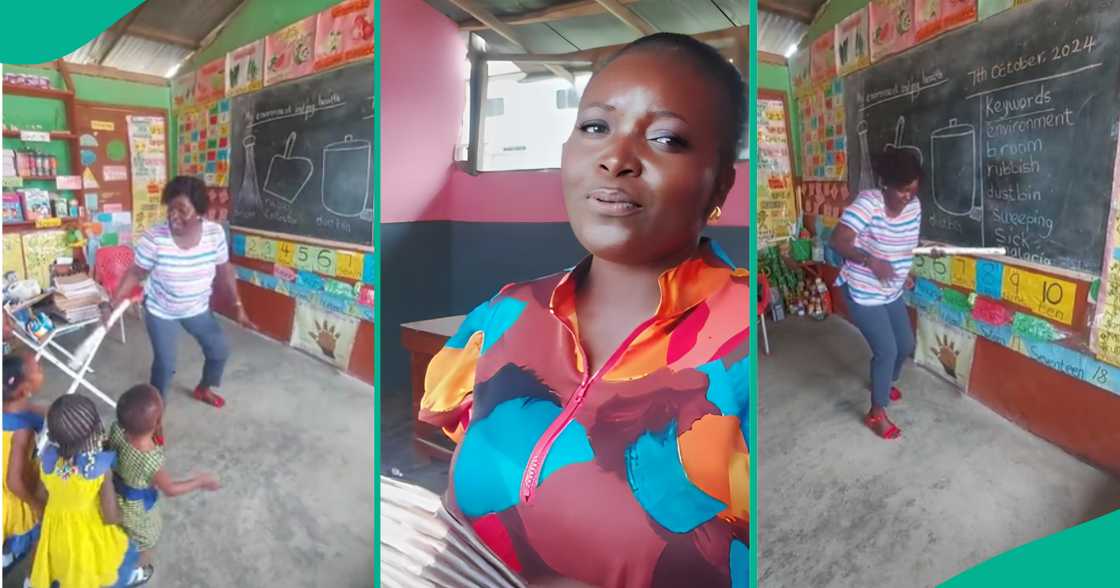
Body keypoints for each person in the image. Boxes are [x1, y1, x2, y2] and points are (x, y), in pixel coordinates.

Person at [404, 33, 749, 587]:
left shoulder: (745, 349)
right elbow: (461, 504)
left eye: (667, 138)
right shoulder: (504, 315)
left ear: (721, 184)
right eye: (595, 127)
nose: (616, 158)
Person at [106, 176, 255, 410]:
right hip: (161, 309)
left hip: (196, 307)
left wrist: (238, 306)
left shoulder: (214, 234)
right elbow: (136, 272)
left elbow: (224, 269)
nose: (174, 216)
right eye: (170, 209)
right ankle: (155, 414)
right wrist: (113, 301)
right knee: (165, 365)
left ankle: (203, 388)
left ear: (199, 212)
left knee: (219, 351)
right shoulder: (155, 238)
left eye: (182, 210)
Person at [829, 148, 924, 440]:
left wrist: (903, 271)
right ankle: (876, 414)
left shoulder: (915, 206)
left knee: (905, 343)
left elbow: (903, 245)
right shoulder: (869, 203)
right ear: (886, 186)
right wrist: (871, 261)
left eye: (913, 188)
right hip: (863, 290)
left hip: (891, 288)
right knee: (886, 351)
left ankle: (881, 384)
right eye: (902, 190)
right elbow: (838, 241)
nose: (908, 196)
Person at [107, 384, 220, 582]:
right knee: (146, 542)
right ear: (158, 421)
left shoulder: (116, 429)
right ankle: (131, 574)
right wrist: (200, 481)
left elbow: (109, 448)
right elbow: (170, 489)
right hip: (136, 509)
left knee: (121, 532)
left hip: (115, 495)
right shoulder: (151, 459)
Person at [30, 394, 143, 588]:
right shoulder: (99, 467)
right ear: (95, 429)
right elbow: (110, 516)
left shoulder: (47, 460)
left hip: (54, 530)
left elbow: (41, 497)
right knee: (93, 567)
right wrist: (124, 518)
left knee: (61, 568)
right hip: (87, 533)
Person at [3, 353, 46, 572]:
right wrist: (36, 505)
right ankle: (10, 556)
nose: (41, 368)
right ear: (24, 390)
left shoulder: (12, 406)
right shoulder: (21, 432)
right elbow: (13, 482)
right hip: (13, 495)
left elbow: (31, 408)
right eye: (37, 368)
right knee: (21, 527)